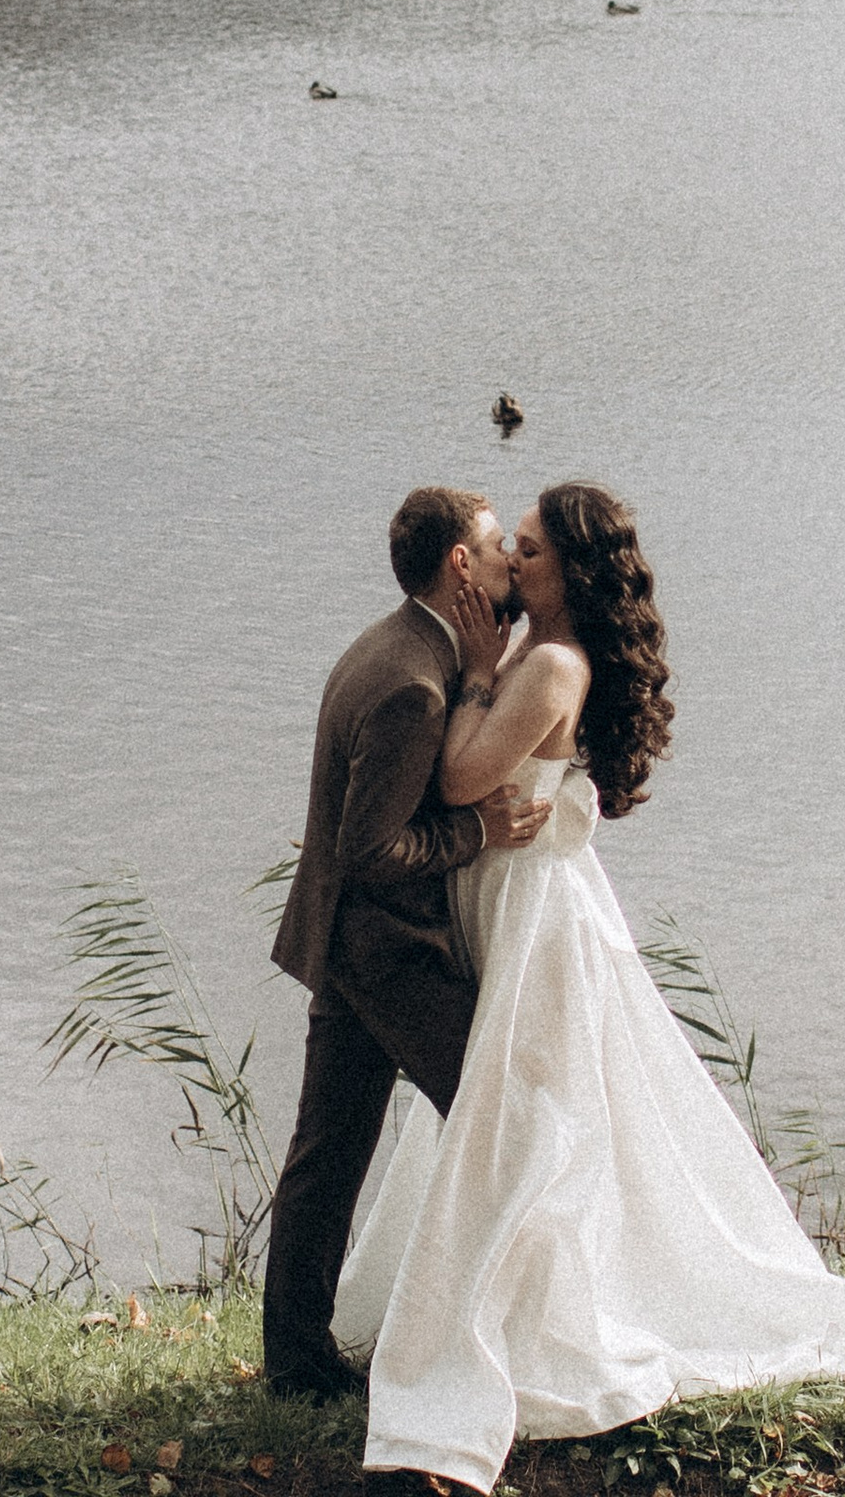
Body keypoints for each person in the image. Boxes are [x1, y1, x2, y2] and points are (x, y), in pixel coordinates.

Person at [332, 479, 845, 1490]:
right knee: (526, 1112)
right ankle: (505, 1295)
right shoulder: (543, 656)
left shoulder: (545, 667)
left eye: (529, 552)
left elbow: (457, 782)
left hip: (539, 919)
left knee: (534, 1115)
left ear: (569, 574)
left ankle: (550, 1317)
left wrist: (482, 671)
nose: (512, 565)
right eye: (512, 547)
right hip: (517, 903)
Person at [263, 486, 554, 1400]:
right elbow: (374, 849)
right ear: (460, 563)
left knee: (328, 1151)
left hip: (349, 944)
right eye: (500, 545)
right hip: (387, 953)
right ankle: (491, 1340)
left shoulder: (391, 644)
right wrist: (481, 834)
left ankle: (299, 1362)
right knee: (500, 1123)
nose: (512, 560)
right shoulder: (415, 685)